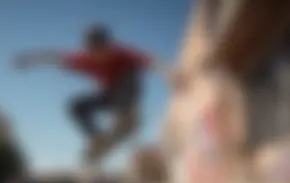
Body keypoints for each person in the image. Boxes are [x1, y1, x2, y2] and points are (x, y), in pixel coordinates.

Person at [14, 24, 178, 164]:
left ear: (108, 46)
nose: (101, 57)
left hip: (126, 92)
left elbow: (152, 61)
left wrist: (169, 74)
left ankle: (126, 115)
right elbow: (54, 58)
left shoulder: (122, 54)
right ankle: (96, 137)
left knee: (129, 72)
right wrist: (29, 60)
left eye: (103, 51)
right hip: (107, 96)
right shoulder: (84, 59)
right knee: (75, 105)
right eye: (95, 52)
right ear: (89, 50)